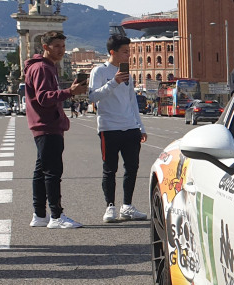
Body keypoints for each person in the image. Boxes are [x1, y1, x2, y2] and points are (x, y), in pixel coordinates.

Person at [25, 31, 87, 228]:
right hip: (48, 125)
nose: (61, 50)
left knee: (41, 171)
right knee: (53, 171)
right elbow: (44, 97)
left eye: (62, 46)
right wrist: (70, 92)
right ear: (45, 47)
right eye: (56, 46)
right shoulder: (43, 68)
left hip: (43, 124)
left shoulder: (43, 67)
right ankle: (56, 216)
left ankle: (40, 215)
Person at [89, 33, 149, 223]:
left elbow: (132, 102)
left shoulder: (128, 74)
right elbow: (92, 97)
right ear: (112, 52)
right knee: (110, 169)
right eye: (124, 52)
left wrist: (141, 126)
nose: (128, 56)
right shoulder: (99, 71)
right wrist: (113, 82)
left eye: (129, 52)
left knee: (132, 168)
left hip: (130, 127)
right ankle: (110, 207)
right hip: (109, 127)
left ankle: (127, 206)